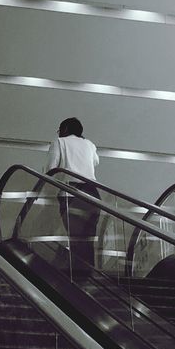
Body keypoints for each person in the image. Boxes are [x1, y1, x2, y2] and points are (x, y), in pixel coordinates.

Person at [45, 117, 100, 273]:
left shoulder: (59, 142)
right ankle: (89, 273)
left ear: (65, 129)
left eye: (60, 130)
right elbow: (95, 161)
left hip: (71, 190)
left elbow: (51, 167)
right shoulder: (90, 144)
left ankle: (77, 272)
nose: (59, 133)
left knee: (75, 236)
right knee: (88, 237)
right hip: (93, 193)